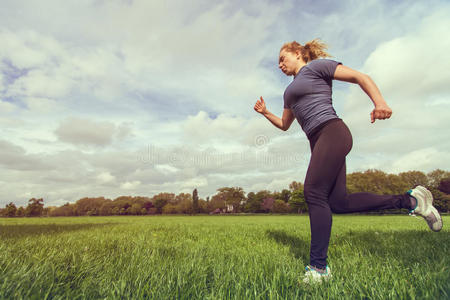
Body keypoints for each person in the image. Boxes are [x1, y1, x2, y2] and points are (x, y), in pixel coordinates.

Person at [253, 38, 443, 284]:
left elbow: (360, 77)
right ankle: (411, 201)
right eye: (277, 62)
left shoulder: (317, 67)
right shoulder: (288, 92)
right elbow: (284, 124)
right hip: (318, 141)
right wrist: (266, 112)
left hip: (332, 131)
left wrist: (380, 103)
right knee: (338, 203)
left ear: (298, 53)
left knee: (313, 192)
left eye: (282, 58)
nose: (279, 64)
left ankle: (318, 269)